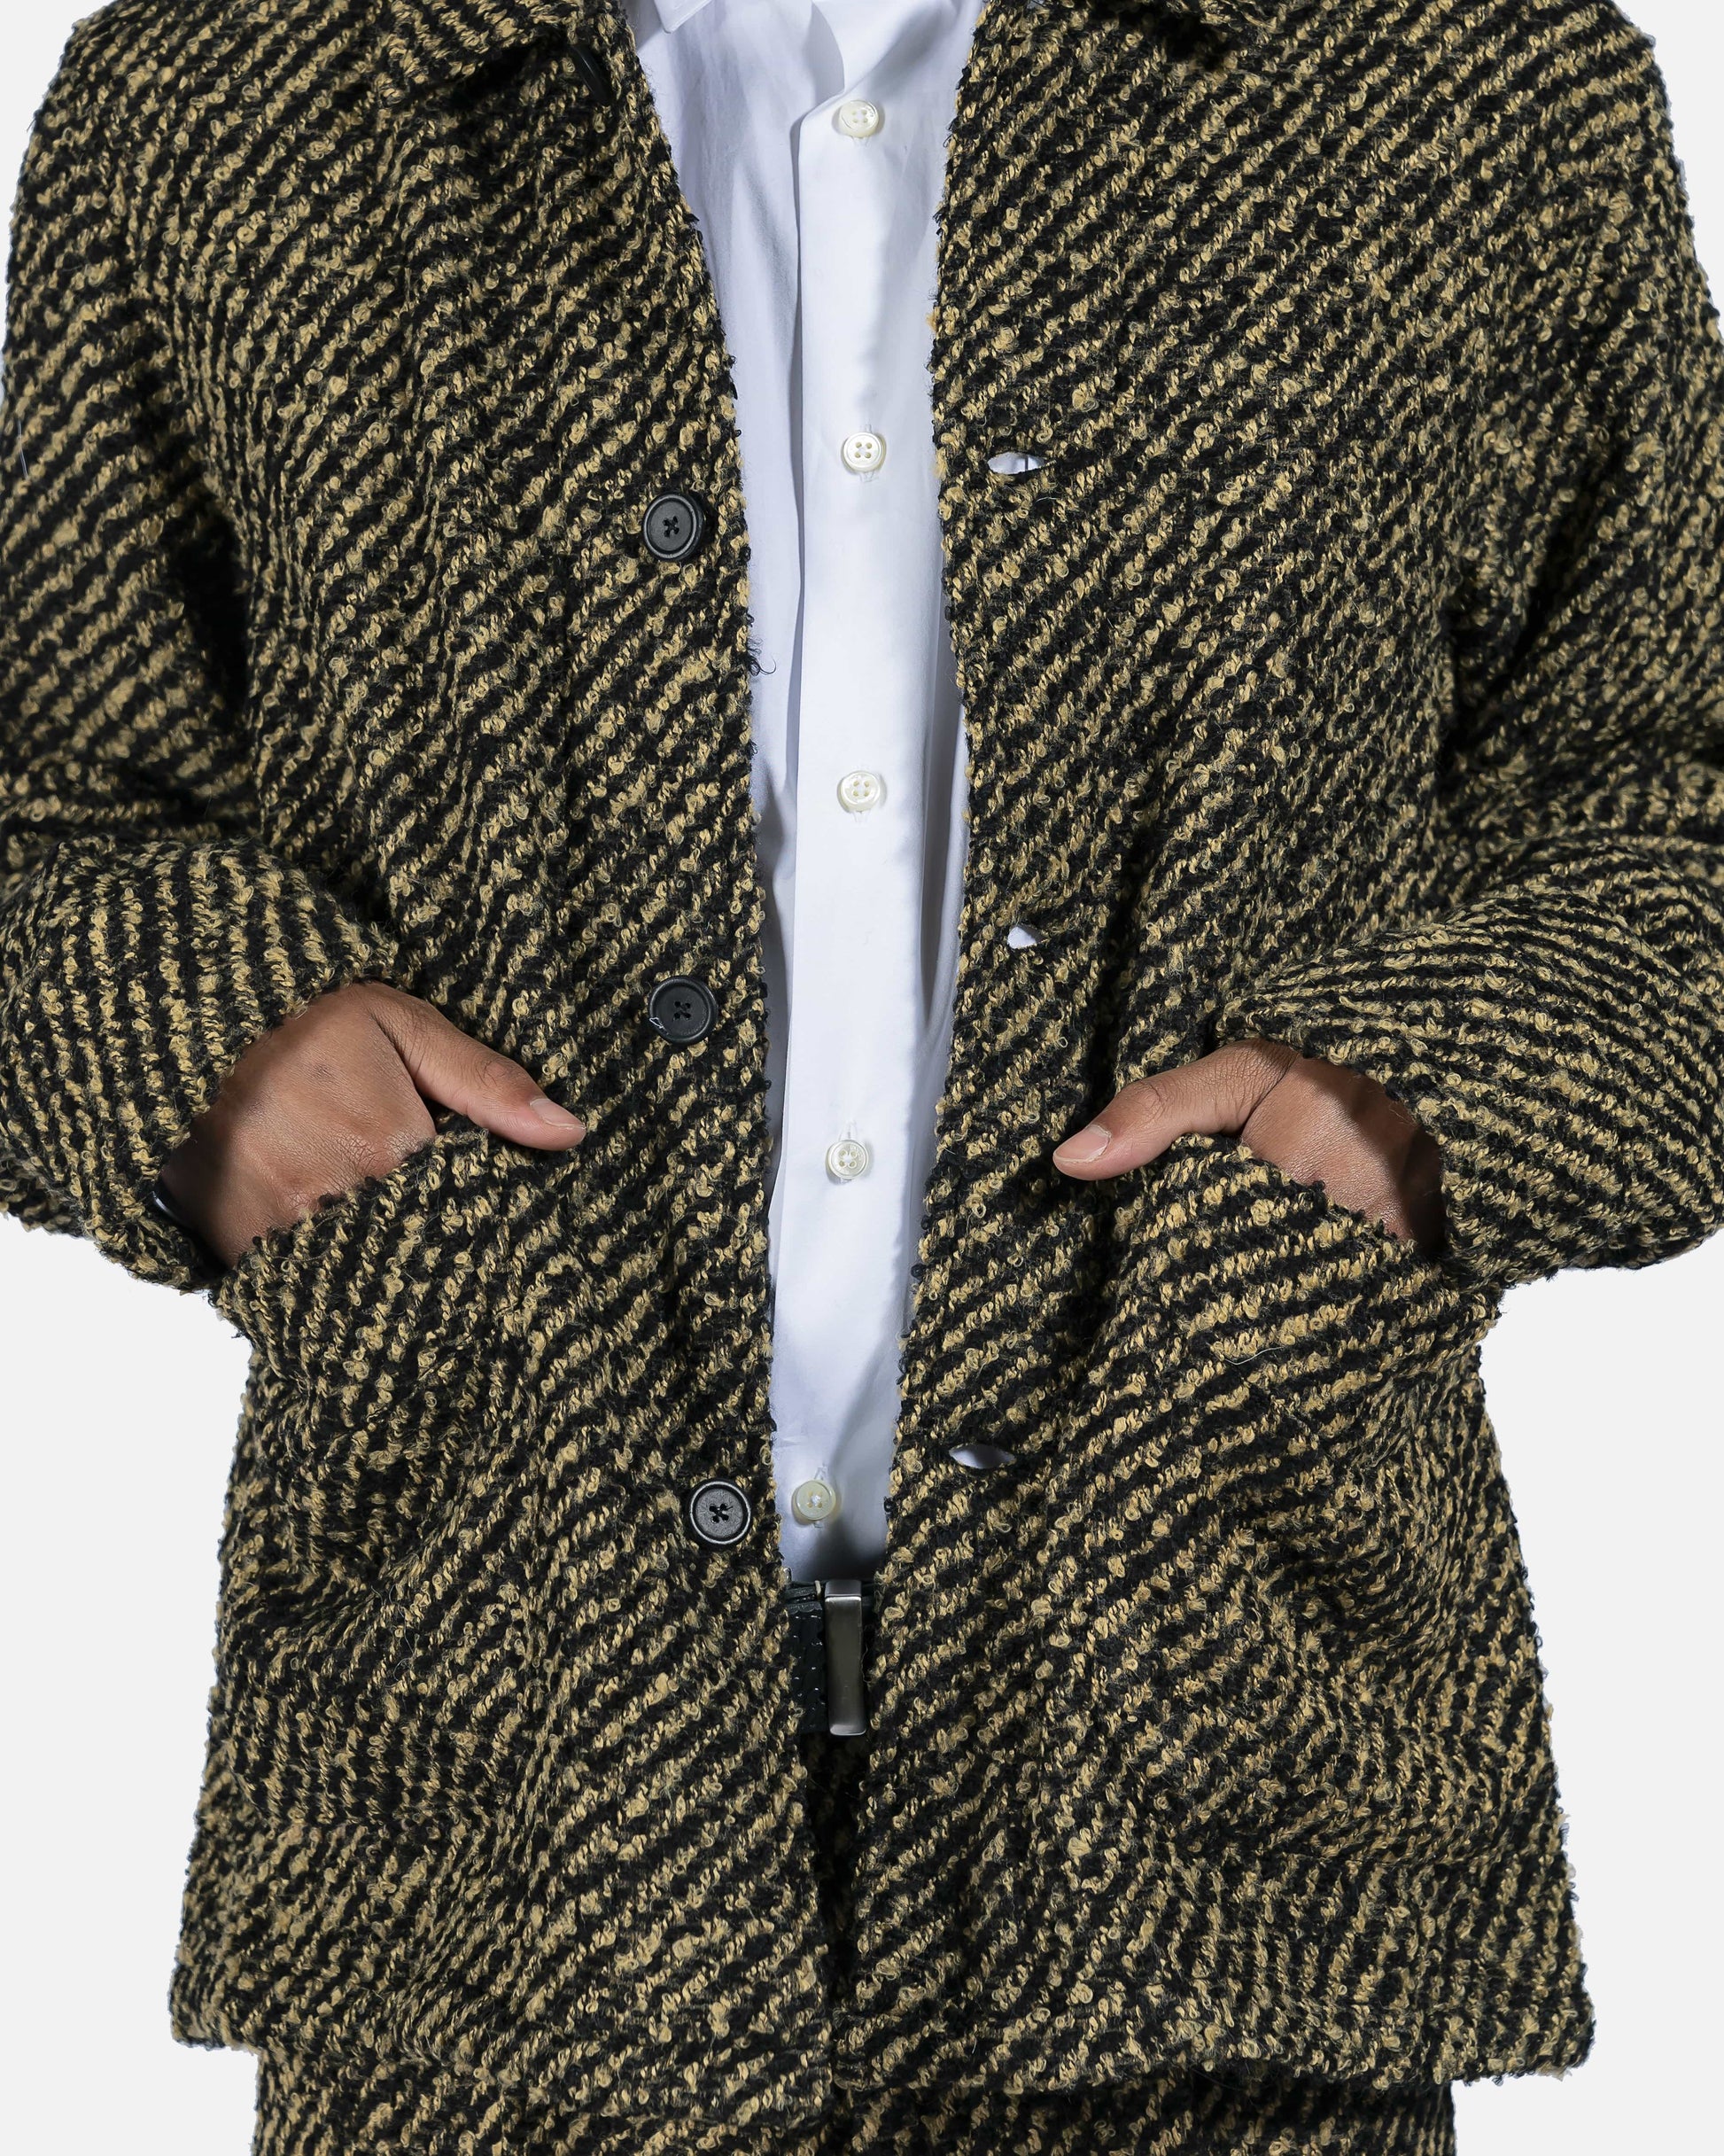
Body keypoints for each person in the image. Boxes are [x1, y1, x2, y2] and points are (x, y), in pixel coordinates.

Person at [2, 0, 1719, 2147]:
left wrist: (1394, 1115)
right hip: (490, 1752)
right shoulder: (237, 88)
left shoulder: (1461, 80)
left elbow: (1674, 815)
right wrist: (216, 1045)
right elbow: (48, 810)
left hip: (1216, 1737)